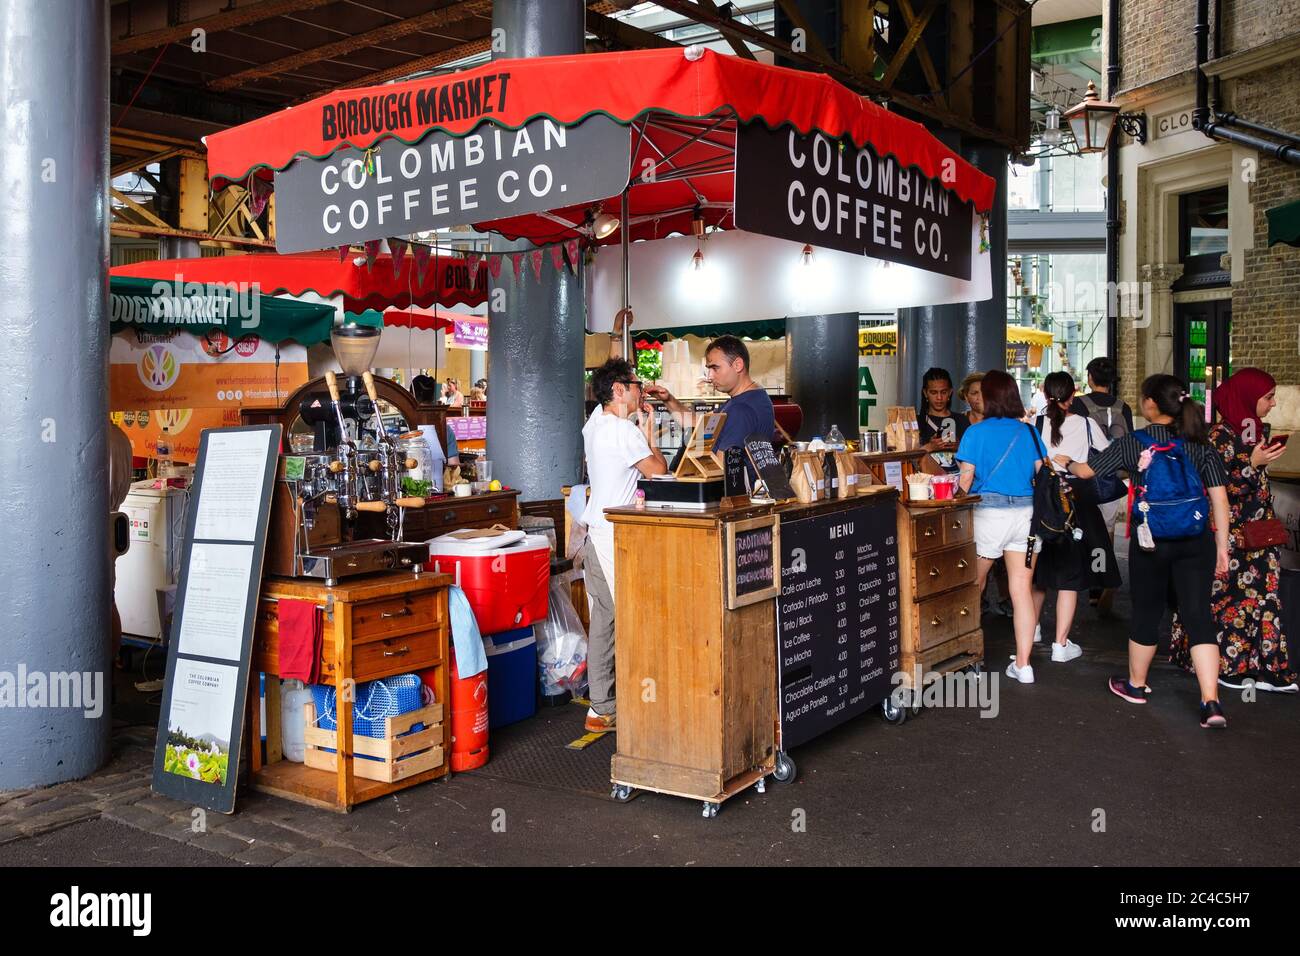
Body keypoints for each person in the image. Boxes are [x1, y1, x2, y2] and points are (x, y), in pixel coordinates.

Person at [1059, 374, 1232, 729]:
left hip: (1150, 540)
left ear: (1151, 403)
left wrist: (1064, 461)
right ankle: (1211, 701)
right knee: (1198, 615)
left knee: (1148, 611)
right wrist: (1222, 548)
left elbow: (1088, 471)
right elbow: (1220, 500)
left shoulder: (1134, 443)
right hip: (1195, 540)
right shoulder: (1201, 444)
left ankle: (1136, 685)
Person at [1169, 368, 1294, 692]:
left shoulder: (1250, 433)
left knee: (1265, 601)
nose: (1272, 403)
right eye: (1267, 397)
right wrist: (1252, 465)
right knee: (1229, 601)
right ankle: (1227, 666)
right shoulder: (1218, 437)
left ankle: (1266, 668)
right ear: (1248, 397)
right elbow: (1220, 491)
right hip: (1232, 536)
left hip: (1260, 533)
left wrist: (1259, 463)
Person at [579, 359, 669, 733]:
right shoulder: (622, 430)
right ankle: (611, 705)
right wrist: (649, 434)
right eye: (636, 384)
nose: (641, 390)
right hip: (614, 535)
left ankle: (603, 704)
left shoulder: (594, 423)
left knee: (605, 617)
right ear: (618, 389)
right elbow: (659, 471)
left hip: (595, 529)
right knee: (618, 618)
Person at [955, 370, 1049, 684]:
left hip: (988, 515)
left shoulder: (976, 433)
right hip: (1026, 516)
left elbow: (965, 481)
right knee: (1021, 589)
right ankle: (1024, 665)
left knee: (974, 585)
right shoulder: (1030, 433)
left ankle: (968, 657)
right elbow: (1042, 476)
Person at [1031, 372, 1121, 661]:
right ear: (1073, 397)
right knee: (1069, 576)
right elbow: (1107, 456)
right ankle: (1060, 644)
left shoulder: (1035, 425)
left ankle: (1031, 629)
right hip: (1076, 503)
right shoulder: (1085, 423)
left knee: (1039, 574)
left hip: (1043, 504)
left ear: (1045, 395)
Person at [645, 334, 774, 453]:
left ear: (737, 365)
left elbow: (722, 466)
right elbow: (697, 422)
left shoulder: (741, 408)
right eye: (709, 369)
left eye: (715, 368)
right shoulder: (753, 397)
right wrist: (668, 399)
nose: (710, 376)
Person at [108, 421, 134, 664]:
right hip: (112, 520)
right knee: (109, 598)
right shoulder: (121, 438)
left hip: (88, 526)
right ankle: (110, 665)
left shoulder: (88, 439)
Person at [917, 367, 969, 449]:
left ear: (950, 392)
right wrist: (929, 447)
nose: (939, 397)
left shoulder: (962, 421)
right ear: (925, 393)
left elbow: (974, 455)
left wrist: (960, 447)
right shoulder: (917, 423)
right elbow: (908, 457)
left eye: (943, 392)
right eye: (934, 392)